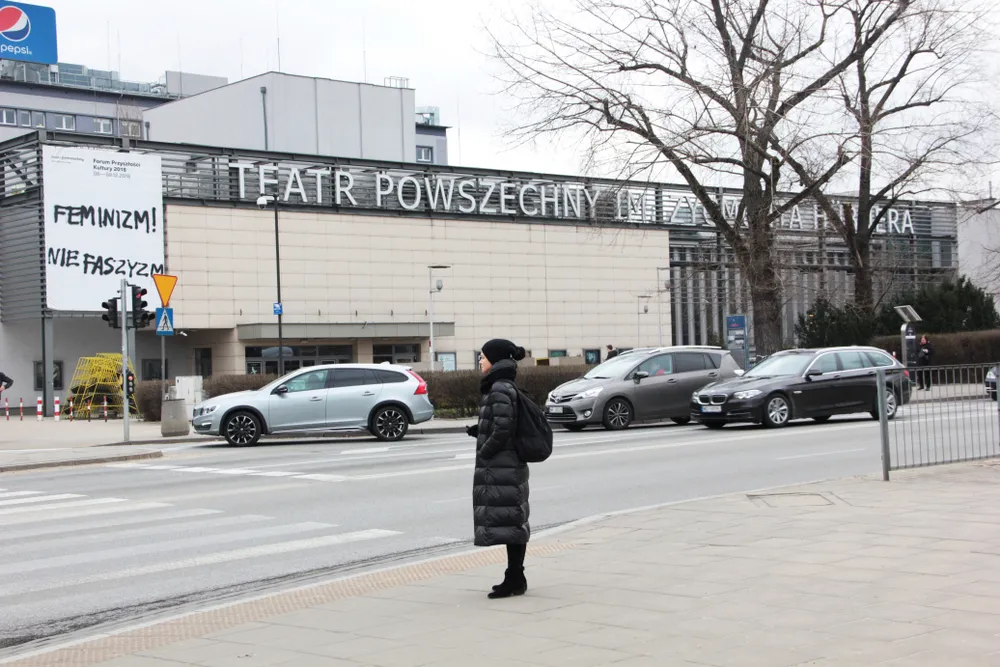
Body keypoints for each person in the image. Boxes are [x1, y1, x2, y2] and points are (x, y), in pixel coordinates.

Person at [465, 338, 530, 599]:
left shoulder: (499, 387)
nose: (480, 360)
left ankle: (514, 578)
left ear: (495, 359)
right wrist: (479, 430)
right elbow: (501, 422)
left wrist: (485, 450)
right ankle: (515, 577)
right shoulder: (502, 384)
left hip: (504, 465)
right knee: (511, 521)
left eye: (483, 356)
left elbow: (503, 429)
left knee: (511, 523)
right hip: (508, 465)